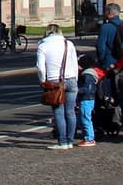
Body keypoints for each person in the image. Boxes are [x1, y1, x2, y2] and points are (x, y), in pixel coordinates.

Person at [35, 21, 79, 149]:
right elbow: (74, 63)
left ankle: (63, 141)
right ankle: (70, 141)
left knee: (58, 113)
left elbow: (40, 68)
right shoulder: (68, 44)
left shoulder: (43, 46)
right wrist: (75, 78)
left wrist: (43, 81)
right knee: (70, 112)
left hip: (54, 81)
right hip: (71, 78)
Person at [75, 53, 102, 147]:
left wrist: (76, 90)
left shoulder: (87, 75)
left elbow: (88, 89)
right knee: (84, 117)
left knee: (85, 118)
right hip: (87, 98)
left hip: (87, 98)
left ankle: (89, 138)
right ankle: (87, 137)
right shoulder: (88, 74)